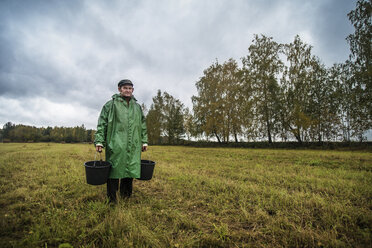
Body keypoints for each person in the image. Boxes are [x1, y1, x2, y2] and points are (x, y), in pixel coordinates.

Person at [94, 79, 148, 203]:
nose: (128, 90)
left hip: (133, 143)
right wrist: (99, 141)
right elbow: (102, 123)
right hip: (115, 143)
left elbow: (143, 125)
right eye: (125, 88)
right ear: (119, 89)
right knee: (114, 170)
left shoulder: (137, 107)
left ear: (133, 90)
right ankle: (112, 199)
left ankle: (126, 196)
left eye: (130, 88)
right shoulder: (110, 105)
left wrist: (144, 141)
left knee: (129, 169)